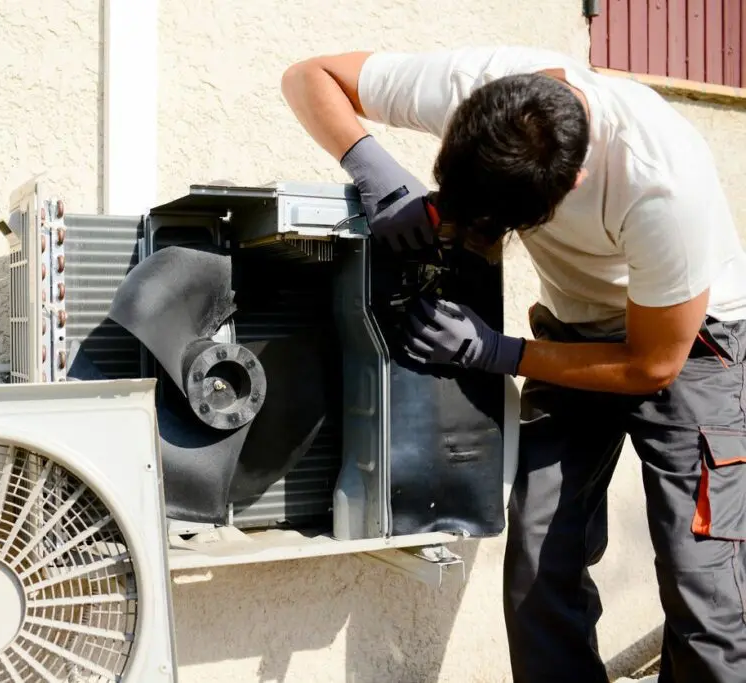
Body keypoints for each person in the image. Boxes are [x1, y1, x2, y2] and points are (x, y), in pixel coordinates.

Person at [281, 45, 746, 683]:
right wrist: (374, 168)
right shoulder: (478, 85)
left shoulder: (663, 183)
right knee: (537, 562)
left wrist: (501, 354)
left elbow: (651, 365)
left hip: (690, 346)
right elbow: (311, 76)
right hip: (574, 330)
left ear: (572, 182)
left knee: (703, 587)